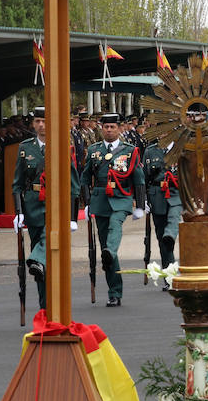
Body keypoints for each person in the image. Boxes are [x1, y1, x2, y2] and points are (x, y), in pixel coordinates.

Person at [12, 108, 79, 309]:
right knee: (41, 266)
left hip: (55, 203)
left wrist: (73, 216)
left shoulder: (62, 146)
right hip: (33, 205)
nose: (41, 125)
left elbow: (73, 184)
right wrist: (18, 212)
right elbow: (17, 183)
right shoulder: (25, 148)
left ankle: (35, 259)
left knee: (45, 239)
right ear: (33, 124)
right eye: (38, 121)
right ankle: (45, 306)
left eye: (44, 121)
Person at [81, 113, 146, 307]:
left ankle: (111, 251)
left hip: (121, 198)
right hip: (100, 200)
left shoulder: (130, 150)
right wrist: (86, 203)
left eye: (112, 127)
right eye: (106, 127)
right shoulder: (94, 150)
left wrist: (140, 205)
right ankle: (114, 292)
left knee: (115, 226)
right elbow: (85, 179)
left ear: (118, 129)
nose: (109, 130)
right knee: (106, 252)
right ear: (102, 129)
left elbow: (139, 179)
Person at [143, 138, 182, 283]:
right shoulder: (150, 150)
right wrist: (144, 200)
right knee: (162, 237)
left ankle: (171, 235)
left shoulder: (183, 148)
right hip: (157, 194)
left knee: (174, 219)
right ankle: (169, 276)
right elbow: (144, 177)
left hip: (177, 192)